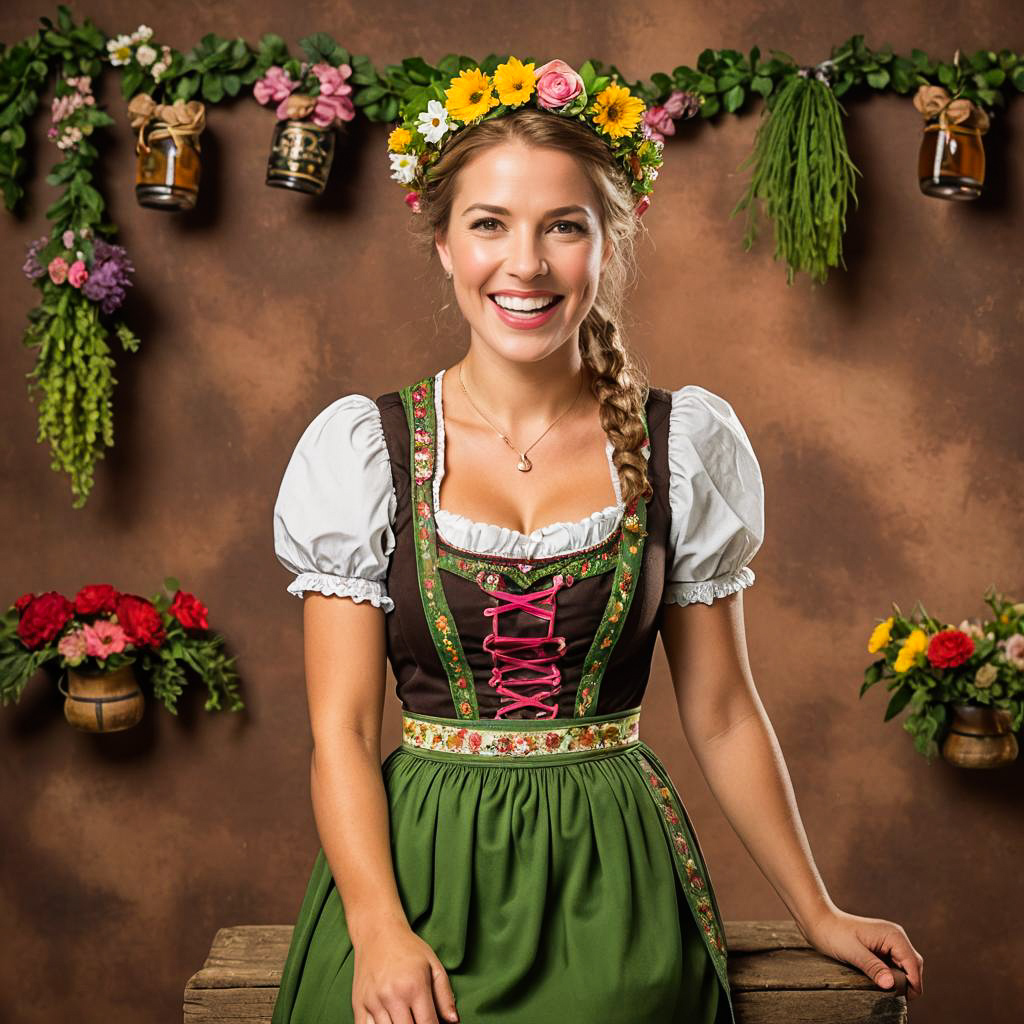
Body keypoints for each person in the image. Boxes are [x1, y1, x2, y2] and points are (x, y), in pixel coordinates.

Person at [270, 57, 924, 1024]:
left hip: (608, 870)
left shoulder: (678, 444)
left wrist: (815, 909)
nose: (524, 264)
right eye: (488, 223)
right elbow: (341, 733)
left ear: (609, 242)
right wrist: (377, 929)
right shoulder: (364, 449)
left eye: (563, 226)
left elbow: (725, 714)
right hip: (413, 870)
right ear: (444, 245)